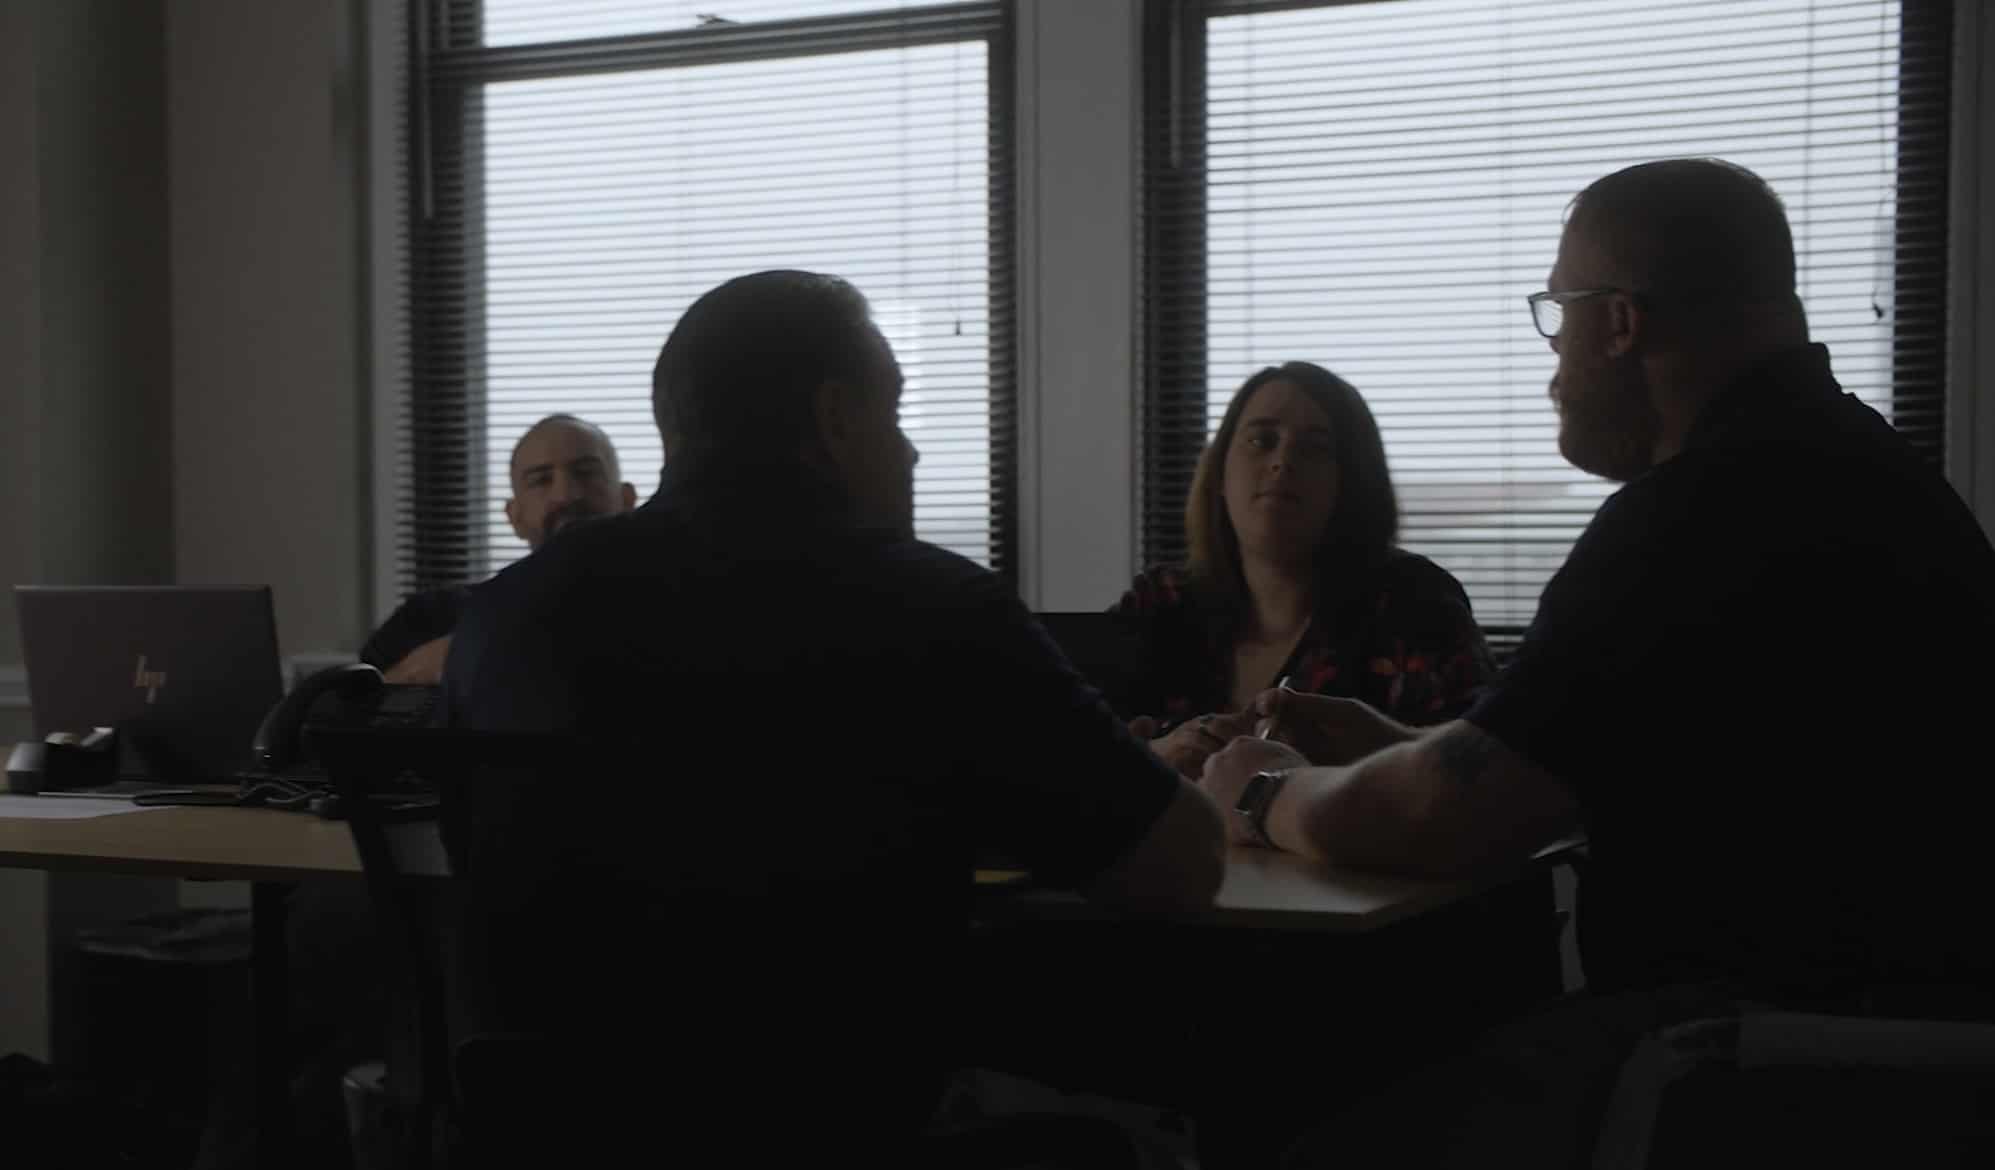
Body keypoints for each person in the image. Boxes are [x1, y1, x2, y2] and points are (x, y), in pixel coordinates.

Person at [1196, 158, 1995, 1167]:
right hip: (1902, 1057)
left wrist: (1266, 790)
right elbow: (1571, 763)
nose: (1553, 362)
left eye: (1556, 313)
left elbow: (1447, 817)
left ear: (1619, 322)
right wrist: (1400, 742)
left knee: (1293, 1131)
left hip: (1758, 1062)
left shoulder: (1699, 513)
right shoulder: (1850, 468)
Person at [441, 270, 1227, 1163]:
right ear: (836, 419)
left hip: (555, 1134)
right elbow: (1179, 870)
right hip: (827, 1128)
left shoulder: (501, 616)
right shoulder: (933, 605)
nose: (912, 452)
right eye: (894, 415)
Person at [1115, 361, 1491, 777]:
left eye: (1314, 447)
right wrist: (1157, 757)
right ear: (1220, 471)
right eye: (1261, 439)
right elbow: (1069, 755)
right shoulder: (1162, 602)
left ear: (1350, 482)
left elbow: (1482, 775)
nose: (1283, 461)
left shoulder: (1414, 603)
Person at [358, 413, 638, 683]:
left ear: (627, 499)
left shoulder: (668, 612)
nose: (564, 494)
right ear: (515, 517)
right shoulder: (430, 619)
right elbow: (353, 714)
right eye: (541, 480)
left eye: (586, 473)